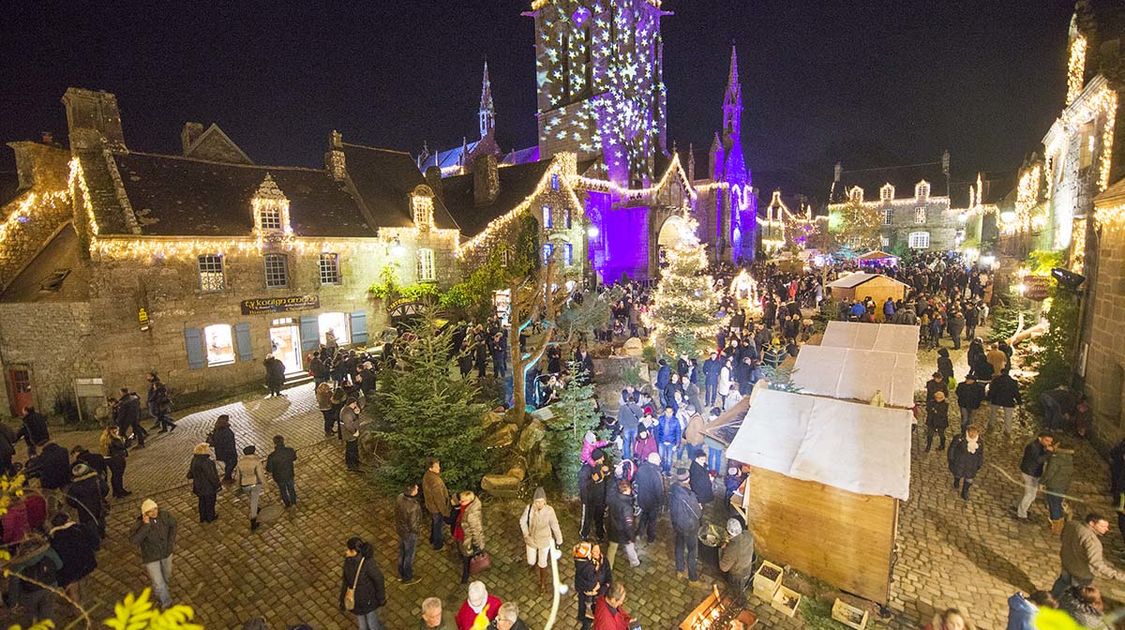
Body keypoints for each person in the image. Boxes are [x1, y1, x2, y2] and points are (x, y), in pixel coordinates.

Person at [1051, 513, 1125, 599]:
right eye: (1103, 526)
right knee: (1076, 596)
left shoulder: (1071, 524)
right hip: (1082, 573)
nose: (1107, 529)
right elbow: (1097, 564)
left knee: (1062, 583)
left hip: (1067, 564)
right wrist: (1118, 575)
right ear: (1092, 523)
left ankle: (1051, 601)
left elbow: (1063, 538)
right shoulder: (1093, 542)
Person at [130, 498, 177, 609]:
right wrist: (146, 526)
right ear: (145, 513)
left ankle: (160, 591)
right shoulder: (139, 524)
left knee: (166, 576)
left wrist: (170, 542)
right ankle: (166, 602)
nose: (154, 512)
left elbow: (173, 525)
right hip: (151, 557)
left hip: (166, 553)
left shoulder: (164, 515)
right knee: (158, 582)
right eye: (150, 511)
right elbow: (134, 541)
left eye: (155, 509)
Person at [9, 536, 63, 625]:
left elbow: (13, 584)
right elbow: (59, 565)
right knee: (47, 611)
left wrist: (13, 603)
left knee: (32, 615)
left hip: (30, 593)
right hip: (50, 586)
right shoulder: (49, 552)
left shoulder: (18, 564)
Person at [48, 512, 98, 605]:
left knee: (73, 592)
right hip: (85, 563)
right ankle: (84, 600)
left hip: (68, 571)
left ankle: (78, 612)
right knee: (83, 581)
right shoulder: (80, 529)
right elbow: (94, 541)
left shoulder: (54, 539)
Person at [520, 486, 563, 593]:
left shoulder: (549, 511)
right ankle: (533, 565)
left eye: (541, 501)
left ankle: (542, 583)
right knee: (531, 560)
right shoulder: (529, 508)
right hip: (531, 540)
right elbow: (522, 521)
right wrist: (526, 534)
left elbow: (554, 525)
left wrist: (559, 540)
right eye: (537, 502)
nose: (539, 504)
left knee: (542, 563)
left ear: (545, 501)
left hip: (544, 541)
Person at [338, 537, 386, 630]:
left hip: (368, 601)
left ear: (355, 551)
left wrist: (381, 598)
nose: (346, 552)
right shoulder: (348, 561)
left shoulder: (367, 563)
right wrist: (342, 599)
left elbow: (378, 579)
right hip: (356, 602)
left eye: (349, 550)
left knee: (373, 625)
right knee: (363, 627)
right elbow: (345, 581)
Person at [670, 469, 701, 581]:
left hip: (677, 524)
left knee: (679, 546)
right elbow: (698, 513)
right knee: (692, 551)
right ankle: (693, 577)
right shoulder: (689, 495)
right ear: (688, 479)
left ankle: (680, 570)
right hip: (690, 527)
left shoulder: (673, 489)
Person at [1016, 432, 1055, 521]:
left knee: (1028, 493)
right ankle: (1021, 514)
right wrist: (1048, 452)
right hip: (1030, 473)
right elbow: (1039, 460)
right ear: (1040, 438)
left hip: (1033, 472)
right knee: (1030, 495)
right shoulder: (1033, 447)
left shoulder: (1039, 445)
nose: (1049, 443)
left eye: (1050, 442)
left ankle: (1019, 507)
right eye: (1047, 440)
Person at [574, 541, 612, 630]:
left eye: (598, 550)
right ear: (589, 554)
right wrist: (590, 590)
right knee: (587, 622)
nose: (597, 553)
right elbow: (578, 585)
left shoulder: (604, 560)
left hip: (600, 597)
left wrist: (602, 589)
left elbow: (609, 578)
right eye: (594, 551)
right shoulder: (584, 567)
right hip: (586, 600)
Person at [1042, 440, 1075, 535]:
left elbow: (1049, 473)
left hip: (1053, 486)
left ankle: (1056, 527)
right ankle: (1060, 525)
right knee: (1058, 504)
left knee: (1053, 505)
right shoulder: (1069, 459)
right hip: (1062, 486)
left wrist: (1042, 482)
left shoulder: (1055, 459)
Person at [66, 462, 107, 538]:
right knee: (100, 518)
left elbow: (70, 500)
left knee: (88, 523)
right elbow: (105, 489)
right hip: (98, 504)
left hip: (84, 509)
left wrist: (78, 505)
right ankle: (101, 532)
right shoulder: (96, 480)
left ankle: (94, 537)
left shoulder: (74, 487)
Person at [719, 518, 755, 602]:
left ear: (729, 533)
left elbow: (723, 568)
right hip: (747, 568)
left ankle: (740, 603)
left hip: (737, 575)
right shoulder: (748, 535)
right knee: (741, 586)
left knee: (737, 592)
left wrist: (722, 549)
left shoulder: (732, 549)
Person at [453, 490, 485, 584]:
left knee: (467, 558)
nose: (460, 502)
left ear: (470, 501)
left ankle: (465, 576)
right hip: (462, 533)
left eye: (463, 501)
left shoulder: (472, 514)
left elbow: (476, 531)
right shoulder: (466, 506)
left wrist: (477, 544)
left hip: (467, 539)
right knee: (463, 551)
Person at [394, 483, 423, 584]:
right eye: (416, 487)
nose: (418, 488)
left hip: (401, 530)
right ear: (412, 491)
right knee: (409, 555)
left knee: (402, 552)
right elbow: (413, 525)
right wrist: (418, 532)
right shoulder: (413, 507)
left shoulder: (400, 497)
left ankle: (400, 573)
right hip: (409, 534)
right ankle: (407, 577)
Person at [947, 426, 984, 501]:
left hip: (971, 465)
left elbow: (980, 454)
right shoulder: (960, 439)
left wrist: (979, 464)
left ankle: (965, 492)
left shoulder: (979, 443)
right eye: (971, 432)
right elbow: (952, 448)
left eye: (974, 433)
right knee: (958, 474)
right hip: (960, 462)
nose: (972, 434)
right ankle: (956, 480)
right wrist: (951, 458)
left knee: (969, 479)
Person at [187, 442, 221, 523]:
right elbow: (211, 476)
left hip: (198, 486)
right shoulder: (207, 462)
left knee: (202, 502)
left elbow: (190, 473)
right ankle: (210, 517)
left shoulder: (194, 460)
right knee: (210, 502)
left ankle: (203, 517)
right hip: (208, 487)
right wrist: (217, 485)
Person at [578, 450, 609, 541]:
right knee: (587, 518)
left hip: (600, 499)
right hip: (589, 499)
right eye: (601, 458)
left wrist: (607, 473)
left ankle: (600, 534)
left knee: (599, 517)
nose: (603, 459)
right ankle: (584, 534)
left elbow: (606, 482)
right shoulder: (586, 469)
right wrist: (593, 480)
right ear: (596, 459)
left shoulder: (602, 467)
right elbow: (582, 485)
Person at [634, 452, 664, 543]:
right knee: (652, 520)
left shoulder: (641, 468)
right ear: (655, 461)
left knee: (643, 516)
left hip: (642, 499)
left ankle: (639, 533)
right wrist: (661, 503)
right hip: (652, 502)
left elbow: (637, 481)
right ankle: (650, 537)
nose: (660, 461)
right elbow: (659, 491)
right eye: (659, 460)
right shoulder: (656, 474)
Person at [423, 459, 452, 551]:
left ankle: (432, 539)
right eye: (437, 466)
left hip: (431, 506)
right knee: (438, 526)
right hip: (437, 508)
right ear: (430, 468)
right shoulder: (436, 482)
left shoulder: (427, 475)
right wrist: (445, 512)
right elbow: (439, 500)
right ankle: (438, 545)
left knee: (434, 523)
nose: (439, 467)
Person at [237, 445, 266, 531]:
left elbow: (238, 476)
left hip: (245, 484)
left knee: (251, 497)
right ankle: (253, 519)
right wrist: (266, 486)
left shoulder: (240, 462)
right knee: (254, 501)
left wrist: (238, 486)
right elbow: (260, 475)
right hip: (254, 483)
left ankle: (257, 508)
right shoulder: (256, 461)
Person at [266, 435, 298, 508]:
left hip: (279, 477)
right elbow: (294, 458)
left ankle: (287, 504)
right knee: (291, 488)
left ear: (274, 443)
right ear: (283, 441)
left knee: (282, 490)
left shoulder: (272, 456)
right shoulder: (290, 450)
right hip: (289, 474)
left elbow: (269, 469)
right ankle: (293, 502)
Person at [987, 368, 1022, 434]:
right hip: (1008, 401)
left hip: (996, 400)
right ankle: (1007, 431)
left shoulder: (996, 380)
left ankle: (991, 426)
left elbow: (992, 391)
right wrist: (1019, 402)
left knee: (993, 414)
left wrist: (988, 398)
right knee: (1008, 417)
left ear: (1001, 372)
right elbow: (1016, 393)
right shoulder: (1013, 382)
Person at [100, 425, 131, 498]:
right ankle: (119, 491)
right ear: (113, 430)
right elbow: (123, 446)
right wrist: (128, 440)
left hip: (110, 459)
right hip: (117, 459)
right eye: (117, 430)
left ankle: (116, 491)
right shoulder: (114, 439)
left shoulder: (105, 439)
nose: (118, 432)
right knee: (118, 475)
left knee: (115, 475)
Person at [208, 414, 238, 484]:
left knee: (228, 464)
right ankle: (226, 478)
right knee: (233, 463)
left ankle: (228, 477)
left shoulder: (217, 429)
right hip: (228, 452)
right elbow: (225, 442)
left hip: (221, 452)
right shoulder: (225, 431)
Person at [657, 406, 681, 475]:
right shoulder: (661, 419)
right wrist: (658, 441)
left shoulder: (676, 421)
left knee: (669, 458)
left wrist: (677, 444)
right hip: (662, 442)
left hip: (671, 442)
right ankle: (662, 469)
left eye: (670, 412)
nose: (668, 413)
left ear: (672, 412)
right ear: (665, 412)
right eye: (667, 412)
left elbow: (678, 433)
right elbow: (657, 430)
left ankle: (667, 471)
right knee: (661, 457)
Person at [341, 396, 363, 471]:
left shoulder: (349, 410)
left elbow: (354, 419)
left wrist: (357, 413)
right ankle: (353, 465)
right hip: (350, 434)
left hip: (349, 434)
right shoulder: (347, 413)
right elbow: (348, 425)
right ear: (350, 403)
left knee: (350, 448)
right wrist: (355, 432)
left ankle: (349, 462)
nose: (356, 405)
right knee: (352, 449)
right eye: (354, 403)